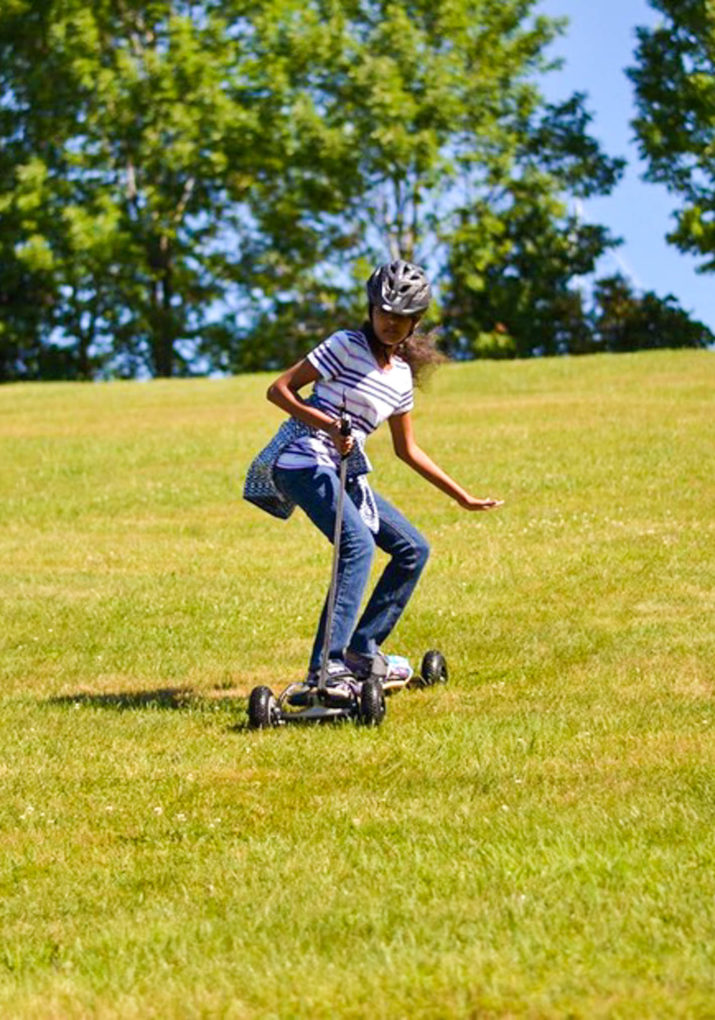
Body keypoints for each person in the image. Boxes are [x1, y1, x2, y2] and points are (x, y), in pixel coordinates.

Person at [243, 259, 503, 688]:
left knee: (413, 549)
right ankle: (326, 669)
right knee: (357, 545)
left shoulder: (401, 378)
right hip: (303, 459)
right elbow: (279, 390)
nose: (390, 323)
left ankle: (362, 651)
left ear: (415, 322)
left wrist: (462, 496)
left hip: (345, 472)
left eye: (401, 318)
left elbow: (408, 449)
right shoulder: (345, 345)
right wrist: (326, 423)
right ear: (371, 309)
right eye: (384, 313)